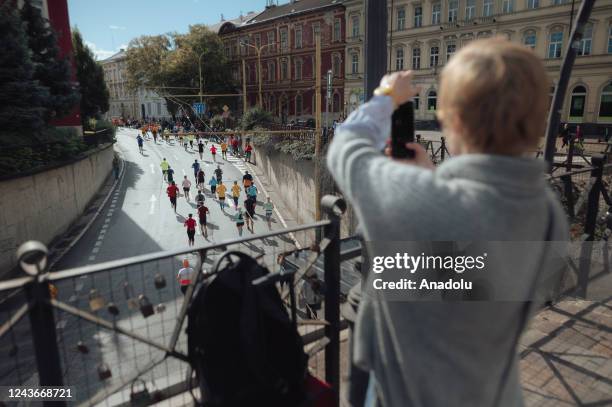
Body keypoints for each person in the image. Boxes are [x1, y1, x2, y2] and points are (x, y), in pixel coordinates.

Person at [326, 38, 569, 407]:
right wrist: (429, 180)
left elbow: (346, 145)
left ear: (451, 119)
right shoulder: (548, 212)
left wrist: (387, 95)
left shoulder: (421, 201)